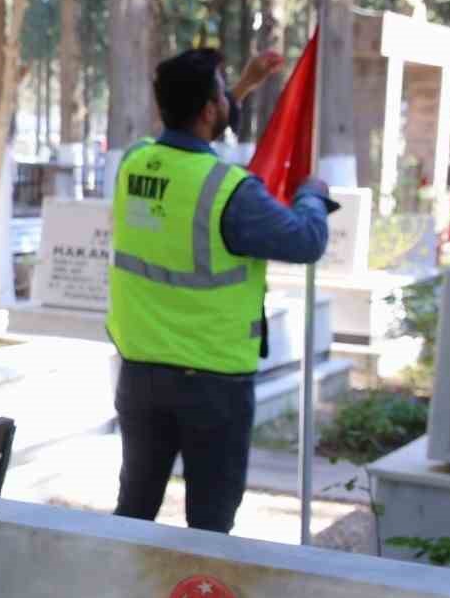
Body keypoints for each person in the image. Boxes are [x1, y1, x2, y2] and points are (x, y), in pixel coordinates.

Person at [107, 47, 333, 534]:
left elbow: (192, 124)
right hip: (212, 383)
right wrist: (312, 194)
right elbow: (306, 240)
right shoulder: (231, 190)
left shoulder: (134, 164)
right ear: (210, 109)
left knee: (134, 510)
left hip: (141, 374)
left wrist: (246, 85)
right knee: (210, 525)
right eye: (222, 91)